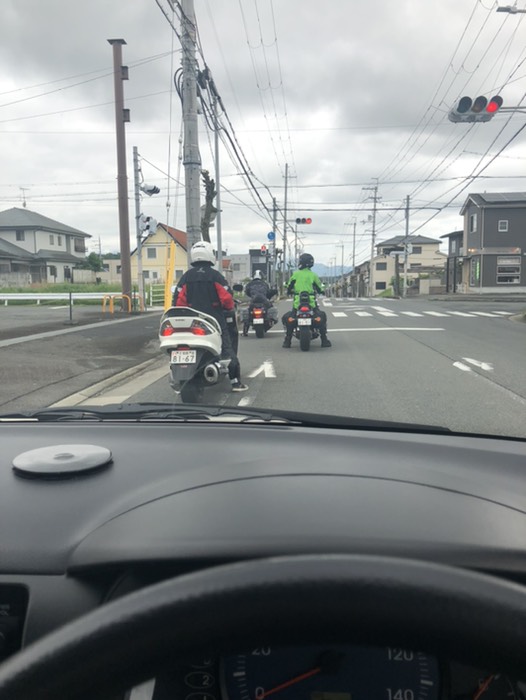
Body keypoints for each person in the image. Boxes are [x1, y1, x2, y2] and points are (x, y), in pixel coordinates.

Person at [173, 241, 248, 392]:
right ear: (210, 255)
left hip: (190, 321)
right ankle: (235, 381)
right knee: (226, 348)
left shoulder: (186, 277)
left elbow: (178, 301)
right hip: (214, 320)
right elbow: (226, 299)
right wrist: (228, 308)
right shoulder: (215, 276)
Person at [282, 252, 332, 348]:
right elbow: (320, 288)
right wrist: (322, 291)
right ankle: (324, 340)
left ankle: (287, 341)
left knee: (289, 318)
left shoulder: (295, 274)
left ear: (301, 262)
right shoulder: (313, 275)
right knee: (321, 317)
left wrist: (289, 291)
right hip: (311, 304)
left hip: (297, 304)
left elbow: (289, 286)